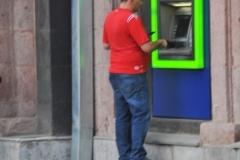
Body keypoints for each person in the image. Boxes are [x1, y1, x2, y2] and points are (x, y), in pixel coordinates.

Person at [102, 0, 167, 159]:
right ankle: (137, 156)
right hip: (132, 74)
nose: (142, 4)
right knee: (141, 114)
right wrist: (160, 42)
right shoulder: (132, 19)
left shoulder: (110, 16)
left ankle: (124, 156)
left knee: (123, 116)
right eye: (140, 0)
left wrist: (129, 41)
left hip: (116, 73)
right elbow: (146, 47)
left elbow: (106, 45)